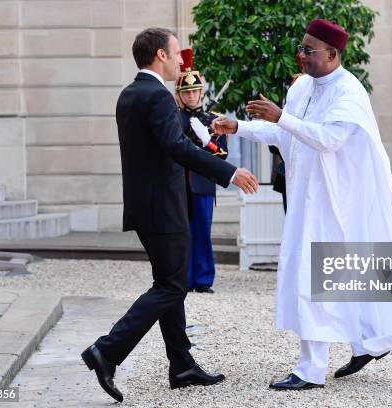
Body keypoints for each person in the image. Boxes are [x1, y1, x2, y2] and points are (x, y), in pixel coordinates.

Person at [212, 19, 392, 390]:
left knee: (326, 276)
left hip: (338, 202)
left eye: (308, 51)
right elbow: (285, 133)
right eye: (301, 49)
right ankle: (363, 344)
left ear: (332, 54)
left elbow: (328, 139)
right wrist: (239, 128)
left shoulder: (350, 92)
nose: (301, 56)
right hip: (307, 198)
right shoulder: (303, 88)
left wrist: (281, 116)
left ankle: (313, 369)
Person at [80, 28, 258, 402]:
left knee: (169, 280)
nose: (181, 60)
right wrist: (228, 171)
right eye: (177, 54)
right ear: (160, 55)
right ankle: (107, 351)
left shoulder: (129, 94)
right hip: (163, 207)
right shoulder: (158, 97)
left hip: (146, 206)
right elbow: (176, 147)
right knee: (171, 286)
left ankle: (181, 364)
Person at [176, 48, 228, 294]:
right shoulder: (173, 118)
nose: (192, 96)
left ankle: (203, 278)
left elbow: (222, 154)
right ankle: (183, 279)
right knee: (182, 232)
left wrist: (207, 140)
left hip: (202, 182)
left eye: (195, 91)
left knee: (203, 231)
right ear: (180, 95)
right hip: (179, 183)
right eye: (187, 92)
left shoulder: (213, 119)